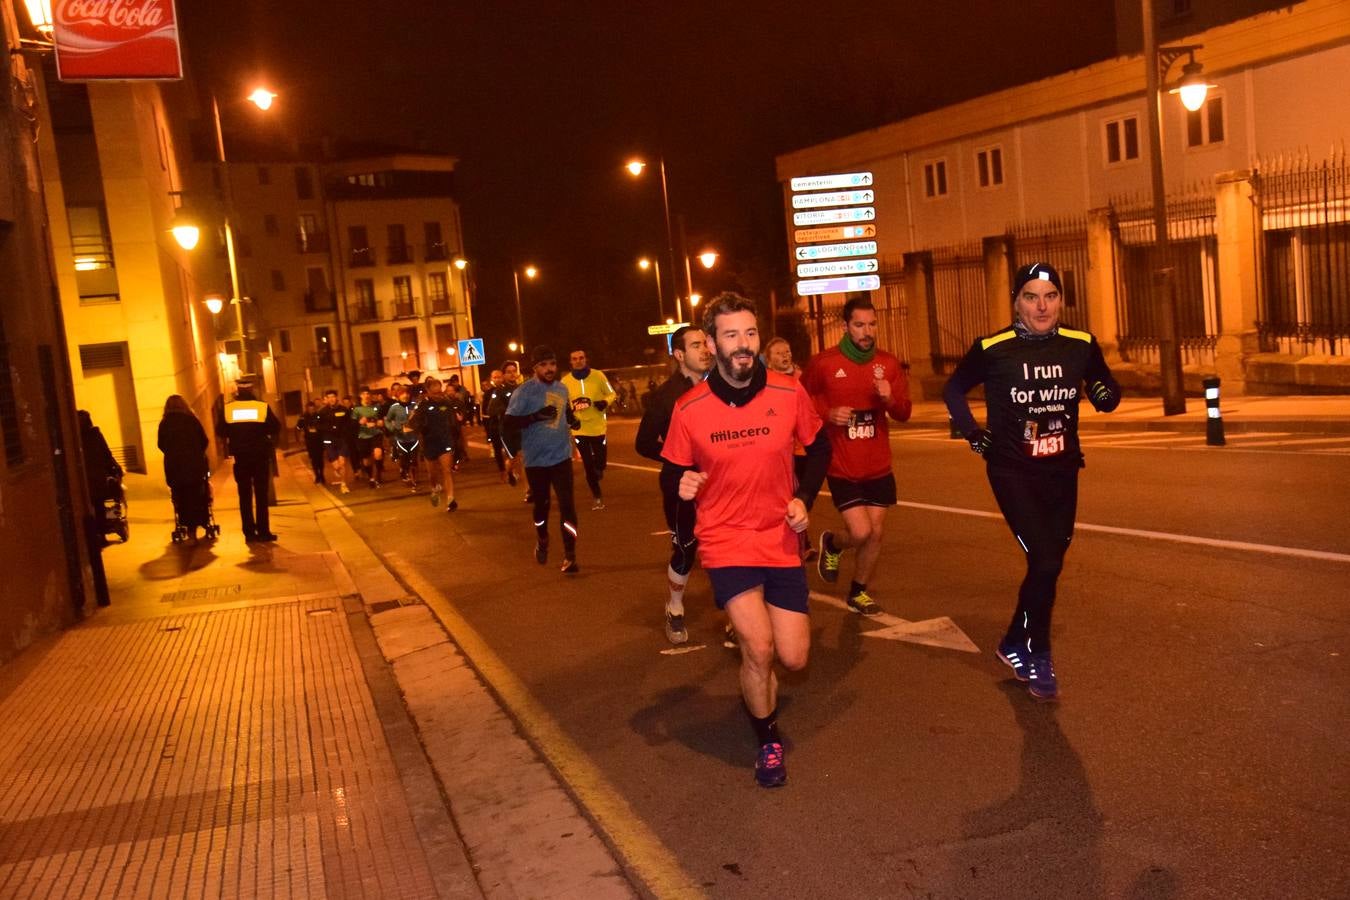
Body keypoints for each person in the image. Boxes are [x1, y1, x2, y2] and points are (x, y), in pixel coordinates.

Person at [661, 293, 829, 788]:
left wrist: (805, 499)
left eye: (750, 334)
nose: (743, 344)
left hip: (780, 536)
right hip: (726, 538)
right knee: (758, 647)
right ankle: (768, 740)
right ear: (711, 344)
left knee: (793, 657)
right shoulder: (689, 408)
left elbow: (818, 449)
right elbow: (673, 474)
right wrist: (684, 485)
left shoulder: (787, 391)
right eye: (731, 335)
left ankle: (759, 690)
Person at [943, 262, 1121, 701]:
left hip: (1062, 471)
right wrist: (974, 436)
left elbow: (1104, 385)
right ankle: (1039, 654)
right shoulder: (993, 347)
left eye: (1050, 296)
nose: (1041, 307)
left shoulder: (1080, 343)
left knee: (1049, 564)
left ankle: (1011, 642)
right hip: (1012, 472)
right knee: (1044, 561)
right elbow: (953, 390)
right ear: (1016, 303)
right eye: (1031, 296)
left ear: (1061, 300)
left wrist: (1103, 394)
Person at [801, 297, 913, 616]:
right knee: (861, 532)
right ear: (846, 326)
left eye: (872, 324)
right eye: (860, 325)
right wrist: (827, 413)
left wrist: (890, 399)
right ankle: (833, 543)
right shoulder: (824, 363)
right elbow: (801, 401)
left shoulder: (888, 365)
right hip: (842, 464)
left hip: (878, 464)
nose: (867, 331)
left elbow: (904, 412)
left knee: (876, 533)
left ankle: (858, 591)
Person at [636, 325, 714, 645]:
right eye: (696, 345)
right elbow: (643, 443)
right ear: (680, 355)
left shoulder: (722, 386)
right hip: (680, 482)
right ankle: (675, 607)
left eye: (706, 343)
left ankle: (738, 612)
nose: (705, 350)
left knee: (727, 540)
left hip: (719, 480)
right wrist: (677, 457)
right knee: (687, 546)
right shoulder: (666, 396)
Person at [505, 346, 580, 573]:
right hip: (536, 461)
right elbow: (508, 425)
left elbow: (565, 412)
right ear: (535, 367)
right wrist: (535, 416)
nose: (550, 369)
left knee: (568, 506)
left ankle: (570, 555)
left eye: (553, 364)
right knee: (542, 506)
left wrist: (573, 420)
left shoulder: (562, 388)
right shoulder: (524, 392)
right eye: (544, 365)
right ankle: (542, 537)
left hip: (561, 457)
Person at [222, 382, 281, 542]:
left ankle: (249, 532)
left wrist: (235, 436)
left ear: (238, 391)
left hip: (241, 457)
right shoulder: (261, 407)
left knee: (244, 495)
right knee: (261, 494)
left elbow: (220, 430)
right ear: (251, 389)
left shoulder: (228, 408)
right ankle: (263, 531)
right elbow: (275, 427)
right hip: (260, 456)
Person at [561, 348, 617, 510]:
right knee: (587, 464)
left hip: (598, 427)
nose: (578, 361)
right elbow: (562, 404)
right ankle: (597, 496)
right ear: (571, 362)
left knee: (600, 463)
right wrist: (571, 420)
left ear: (586, 359)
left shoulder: (598, 376)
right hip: (579, 428)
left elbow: (611, 394)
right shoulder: (565, 382)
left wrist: (604, 402)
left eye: (581, 358)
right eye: (575, 358)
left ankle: (598, 470)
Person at [158, 395, 211, 541]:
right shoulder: (192, 421)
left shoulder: (164, 423)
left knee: (180, 498)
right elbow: (204, 441)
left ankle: (188, 528)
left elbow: (161, 444)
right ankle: (201, 522)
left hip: (174, 468)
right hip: (194, 466)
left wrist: (172, 453)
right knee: (197, 495)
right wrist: (196, 453)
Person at [409, 377, 460, 511]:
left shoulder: (446, 403)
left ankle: (450, 499)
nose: (438, 396)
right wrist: (420, 427)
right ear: (428, 391)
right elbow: (413, 423)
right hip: (429, 443)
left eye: (440, 392)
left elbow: (453, 421)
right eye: (435, 393)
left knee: (447, 470)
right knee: (432, 474)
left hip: (445, 440)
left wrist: (455, 427)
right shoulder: (422, 405)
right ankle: (434, 488)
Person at [78, 409, 123, 540]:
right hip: (97, 478)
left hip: (84, 479)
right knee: (98, 504)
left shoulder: (74, 437)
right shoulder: (95, 435)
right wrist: (114, 469)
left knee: (89, 505)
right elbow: (106, 454)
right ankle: (102, 532)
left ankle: (93, 533)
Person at [489, 360, 524, 490]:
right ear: (503, 375)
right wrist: (506, 409)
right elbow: (491, 410)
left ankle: (528, 490)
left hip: (521, 427)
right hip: (507, 429)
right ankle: (508, 470)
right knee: (513, 457)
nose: (512, 374)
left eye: (514, 371)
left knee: (522, 456)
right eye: (509, 372)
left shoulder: (522, 388)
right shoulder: (498, 391)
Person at [316, 389, 353, 494]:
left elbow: (349, 423)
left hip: (342, 439)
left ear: (336, 397)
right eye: (329, 397)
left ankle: (343, 484)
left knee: (342, 462)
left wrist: (345, 431)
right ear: (326, 399)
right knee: (336, 465)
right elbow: (318, 425)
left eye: (333, 396)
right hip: (329, 440)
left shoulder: (344, 410)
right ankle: (336, 469)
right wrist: (328, 428)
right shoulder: (322, 412)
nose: (331, 399)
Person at [384, 385, 420, 490]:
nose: (405, 395)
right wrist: (393, 427)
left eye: (407, 393)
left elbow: (421, 418)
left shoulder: (414, 406)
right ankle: (405, 472)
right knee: (404, 459)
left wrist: (417, 421)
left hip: (413, 438)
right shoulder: (394, 407)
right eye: (402, 394)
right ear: (398, 396)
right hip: (401, 439)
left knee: (414, 460)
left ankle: (414, 480)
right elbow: (387, 420)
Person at [353, 388, 386, 488]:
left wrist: (381, 422)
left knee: (378, 454)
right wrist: (359, 423)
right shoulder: (356, 409)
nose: (366, 396)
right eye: (364, 394)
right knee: (366, 461)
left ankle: (378, 474)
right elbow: (352, 424)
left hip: (376, 434)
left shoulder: (377, 406)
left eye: (368, 393)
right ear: (360, 396)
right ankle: (371, 477)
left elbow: (382, 419)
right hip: (363, 436)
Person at [481, 369, 509, 480]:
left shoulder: (507, 391)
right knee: (497, 449)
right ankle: (502, 471)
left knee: (509, 449)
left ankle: (510, 468)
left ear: (503, 377)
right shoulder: (488, 393)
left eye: (499, 377)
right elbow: (485, 413)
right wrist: (487, 431)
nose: (497, 379)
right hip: (494, 425)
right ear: (491, 379)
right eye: (494, 377)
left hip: (507, 425)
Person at [297, 401, 324, 484]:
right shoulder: (303, 417)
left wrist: (318, 428)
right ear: (307, 409)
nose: (311, 410)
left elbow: (323, 425)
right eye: (309, 409)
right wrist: (302, 430)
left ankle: (322, 475)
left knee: (320, 459)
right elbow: (298, 427)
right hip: (309, 441)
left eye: (313, 408)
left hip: (319, 440)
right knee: (313, 459)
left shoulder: (319, 416)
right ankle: (317, 475)